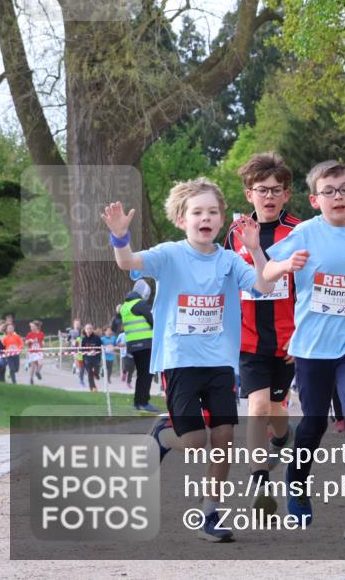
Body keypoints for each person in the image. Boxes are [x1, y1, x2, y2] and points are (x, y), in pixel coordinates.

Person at [102, 177, 278, 542]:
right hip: (180, 360)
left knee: (226, 436)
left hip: (220, 362)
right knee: (197, 441)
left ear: (221, 219)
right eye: (197, 211)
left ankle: (210, 513)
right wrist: (120, 235)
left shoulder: (230, 260)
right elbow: (127, 262)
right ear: (181, 219)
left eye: (213, 211)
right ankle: (166, 438)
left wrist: (257, 250)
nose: (206, 217)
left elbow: (264, 286)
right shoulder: (169, 254)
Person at [263, 160, 345, 544]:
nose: (337, 197)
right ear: (315, 200)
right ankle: (296, 482)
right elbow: (264, 272)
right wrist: (284, 264)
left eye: (344, 189)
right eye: (329, 191)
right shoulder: (303, 233)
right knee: (313, 423)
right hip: (313, 347)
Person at [223, 152, 302, 516]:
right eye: (261, 190)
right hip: (249, 339)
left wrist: (301, 332)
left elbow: (310, 287)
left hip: (287, 340)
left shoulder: (300, 232)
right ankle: (260, 484)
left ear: (286, 194)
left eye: (276, 190)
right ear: (248, 193)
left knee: (277, 410)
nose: (268, 197)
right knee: (256, 407)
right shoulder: (234, 234)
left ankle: (284, 438)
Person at [115, 281, 158, 412]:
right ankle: (143, 402)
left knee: (141, 374)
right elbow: (154, 320)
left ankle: (138, 402)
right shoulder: (140, 304)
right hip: (145, 344)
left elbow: (116, 323)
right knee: (146, 374)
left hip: (133, 345)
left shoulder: (125, 306)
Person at [81, 324, 103, 392]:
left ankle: (96, 374)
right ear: (85, 330)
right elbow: (82, 350)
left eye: (90, 328)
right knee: (90, 374)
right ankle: (92, 388)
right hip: (87, 358)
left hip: (96, 358)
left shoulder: (97, 338)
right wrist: (87, 353)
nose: (89, 330)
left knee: (96, 371)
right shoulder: (84, 339)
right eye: (87, 328)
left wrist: (95, 351)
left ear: (92, 329)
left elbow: (101, 348)